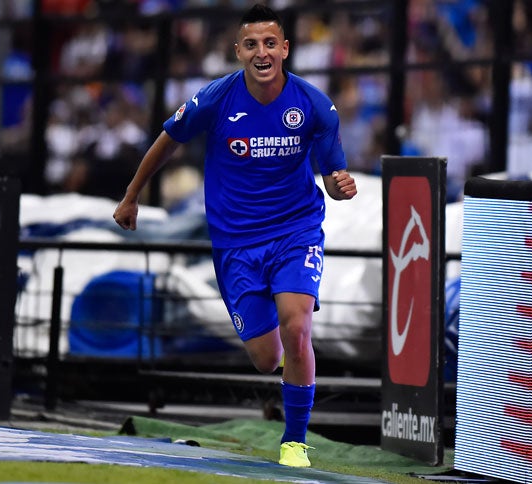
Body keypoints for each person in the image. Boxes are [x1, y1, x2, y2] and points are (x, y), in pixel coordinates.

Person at [112, 3, 357, 468]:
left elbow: (332, 178)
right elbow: (168, 138)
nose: (261, 52)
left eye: (270, 43)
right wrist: (131, 196)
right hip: (236, 245)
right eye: (251, 44)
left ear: (284, 49)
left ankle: (295, 443)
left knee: (298, 325)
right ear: (238, 51)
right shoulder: (216, 99)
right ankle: (294, 370)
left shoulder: (314, 106)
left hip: (295, 233)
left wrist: (341, 188)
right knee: (267, 358)